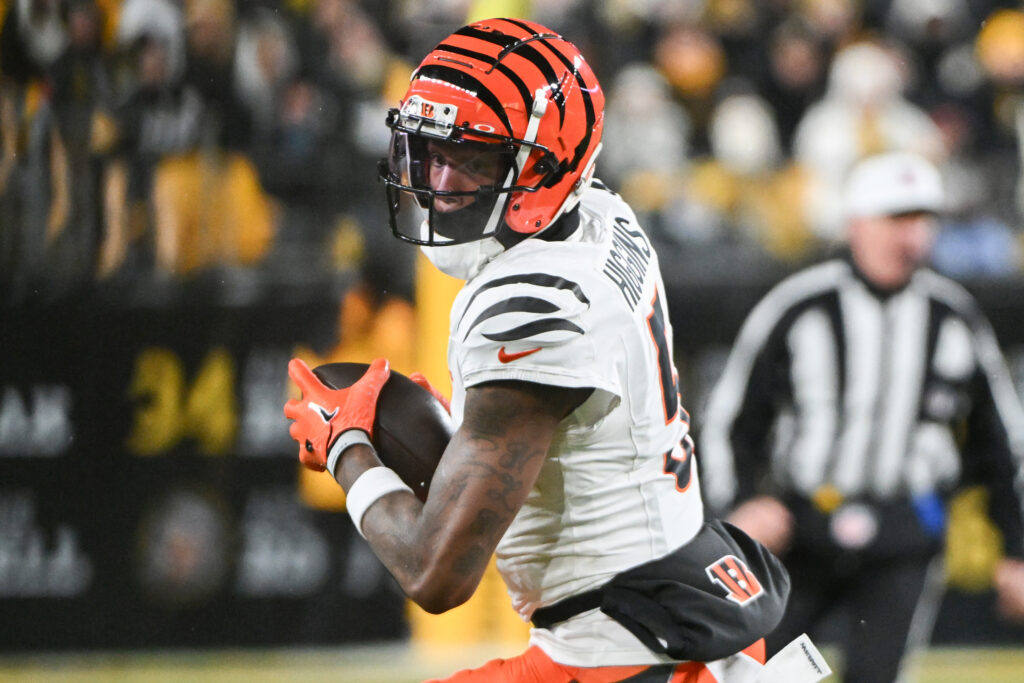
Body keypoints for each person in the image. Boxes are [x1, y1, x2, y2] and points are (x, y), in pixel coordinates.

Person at [283, 17, 824, 683]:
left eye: (472, 159)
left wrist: (349, 449)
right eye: (430, 153)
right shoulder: (602, 216)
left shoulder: (530, 301)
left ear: (543, 165)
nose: (440, 183)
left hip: (621, 654)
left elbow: (436, 574)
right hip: (677, 617)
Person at [700, 151, 1024, 683]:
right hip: (800, 529)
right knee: (754, 676)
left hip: (904, 532)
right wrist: (737, 507)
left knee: (879, 676)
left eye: (922, 219)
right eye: (896, 218)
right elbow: (732, 418)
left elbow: (998, 441)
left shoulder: (953, 317)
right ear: (857, 223)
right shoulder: (799, 307)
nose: (912, 236)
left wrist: (1015, 549)